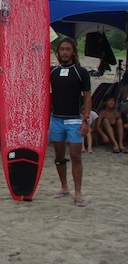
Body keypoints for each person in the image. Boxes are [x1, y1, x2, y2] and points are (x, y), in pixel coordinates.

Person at [49, 37, 91, 207]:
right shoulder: (52, 71)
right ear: (58, 52)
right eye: (62, 49)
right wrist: (3, 70)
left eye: (68, 49)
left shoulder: (81, 72)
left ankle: (78, 193)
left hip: (74, 119)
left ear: (73, 52)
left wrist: (86, 119)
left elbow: (87, 96)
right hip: (56, 119)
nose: (65, 52)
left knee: (75, 156)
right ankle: (64, 187)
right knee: (59, 156)